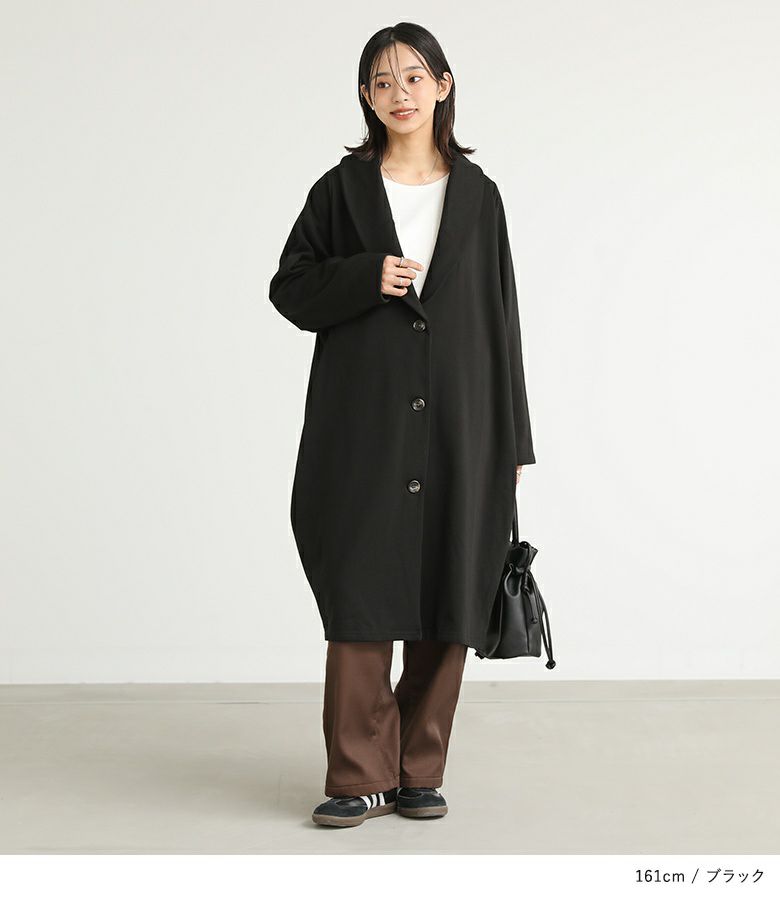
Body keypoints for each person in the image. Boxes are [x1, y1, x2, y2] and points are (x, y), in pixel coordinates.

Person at [268, 23, 536, 828]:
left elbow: (502, 318)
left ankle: (420, 770)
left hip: (464, 420)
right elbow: (290, 288)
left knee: (450, 588)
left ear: (443, 86)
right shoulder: (340, 191)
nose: (400, 94)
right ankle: (358, 776)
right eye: (382, 82)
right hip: (363, 422)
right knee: (360, 592)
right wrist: (363, 277)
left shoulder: (480, 195)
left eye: (414, 77)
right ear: (366, 96)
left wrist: (514, 439)